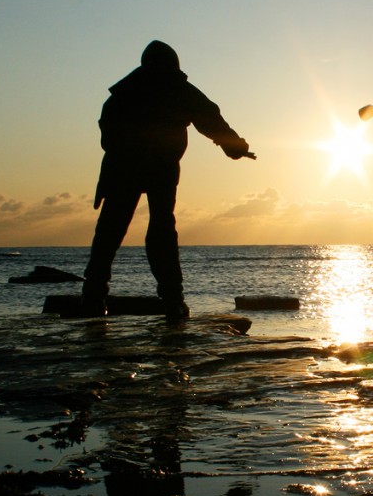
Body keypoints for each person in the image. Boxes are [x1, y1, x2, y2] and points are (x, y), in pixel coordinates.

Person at [80, 40, 253, 321]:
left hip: (130, 166)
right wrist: (234, 146)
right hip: (149, 166)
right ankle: (170, 300)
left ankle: (95, 297)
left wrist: (233, 146)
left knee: (115, 230)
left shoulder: (124, 92)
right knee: (151, 229)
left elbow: (208, 117)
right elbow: (209, 117)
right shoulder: (173, 88)